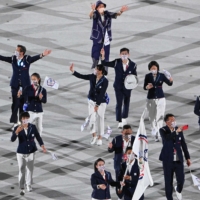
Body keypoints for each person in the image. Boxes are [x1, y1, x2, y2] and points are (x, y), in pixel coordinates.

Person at [0, 45, 51, 130]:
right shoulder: (13, 59)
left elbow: (35, 58)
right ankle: (15, 122)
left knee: (22, 105)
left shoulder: (27, 59)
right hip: (15, 85)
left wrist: (42, 54)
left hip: (25, 86)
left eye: (17, 50)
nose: (15, 52)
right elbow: (3, 58)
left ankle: (21, 122)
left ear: (21, 52)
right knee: (15, 103)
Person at [70, 63, 108, 146]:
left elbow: (102, 93)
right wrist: (73, 71)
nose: (94, 70)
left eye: (96, 69)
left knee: (100, 119)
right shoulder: (92, 76)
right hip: (91, 101)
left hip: (101, 102)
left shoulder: (105, 81)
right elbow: (81, 76)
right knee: (91, 119)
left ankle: (100, 138)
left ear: (100, 71)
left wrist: (97, 105)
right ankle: (94, 135)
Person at [11, 112, 47, 196]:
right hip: (21, 153)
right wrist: (16, 132)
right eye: (23, 118)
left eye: (26, 118)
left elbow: (38, 137)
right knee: (21, 170)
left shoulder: (32, 127)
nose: (25, 120)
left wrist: (42, 146)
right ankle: (21, 186)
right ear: (21, 119)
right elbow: (12, 139)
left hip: (31, 152)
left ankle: (29, 184)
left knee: (30, 169)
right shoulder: (17, 128)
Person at [101, 48, 137, 128]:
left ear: (128, 54)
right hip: (118, 86)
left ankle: (124, 118)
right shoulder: (116, 62)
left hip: (128, 87)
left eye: (125, 53)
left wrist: (132, 85)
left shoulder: (133, 65)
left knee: (126, 103)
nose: (124, 55)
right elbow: (104, 63)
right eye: (122, 54)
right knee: (119, 103)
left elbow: (135, 76)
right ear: (120, 55)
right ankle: (119, 120)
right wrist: (103, 55)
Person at [159, 114, 191, 200]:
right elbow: (166, 138)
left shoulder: (178, 130)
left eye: (174, 120)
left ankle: (178, 190)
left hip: (178, 160)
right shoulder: (162, 130)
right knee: (168, 181)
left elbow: (183, 144)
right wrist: (176, 132)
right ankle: (169, 198)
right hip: (167, 161)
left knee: (181, 180)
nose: (174, 121)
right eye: (172, 120)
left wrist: (188, 158)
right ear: (167, 122)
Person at [89, 1, 128, 71]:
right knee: (95, 55)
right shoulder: (96, 14)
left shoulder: (107, 14)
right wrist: (92, 10)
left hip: (106, 39)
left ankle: (105, 71)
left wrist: (121, 11)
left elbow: (117, 14)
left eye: (102, 6)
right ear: (97, 8)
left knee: (106, 56)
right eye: (100, 6)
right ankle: (95, 69)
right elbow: (90, 15)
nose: (102, 8)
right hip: (97, 38)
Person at [143, 61, 173, 142]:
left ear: (157, 68)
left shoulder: (162, 76)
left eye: (155, 68)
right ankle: (154, 130)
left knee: (160, 116)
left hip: (160, 98)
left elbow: (169, 84)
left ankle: (159, 133)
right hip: (151, 99)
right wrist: (147, 87)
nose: (153, 69)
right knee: (152, 117)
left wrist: (171, 79)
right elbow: (144, 87)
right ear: (150, 69)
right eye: (152, 68)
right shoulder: (148, 76)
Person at [108, 124, 135, 191]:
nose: (127, 135)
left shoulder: (135, 140)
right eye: (126, 133)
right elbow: (111, 150)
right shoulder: (116, 139)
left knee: (129, 178)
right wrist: (110, 147)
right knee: (119, 179)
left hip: (130, 163)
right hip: (119, 163)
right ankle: (119, 194)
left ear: (131, 132)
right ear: (122, 132)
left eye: (129, 133)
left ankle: (129, 193)